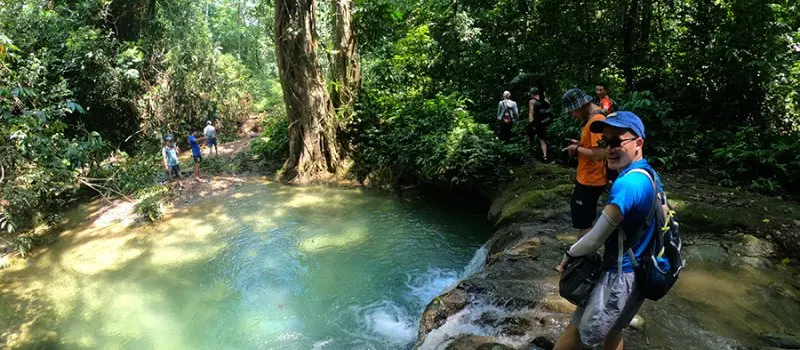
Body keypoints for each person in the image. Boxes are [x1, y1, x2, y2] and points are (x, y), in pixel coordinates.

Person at [554, 111, 661, 350]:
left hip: (619, 275)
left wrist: (569, 255)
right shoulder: (649, 175)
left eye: (616, 142)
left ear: (638, 143)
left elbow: (594, 239)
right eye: (605, 142)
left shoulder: (627, 185)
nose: (609, 149)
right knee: (614, 329)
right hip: (638, 271)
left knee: (580, 333)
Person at [561, 88, 607, 237]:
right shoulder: (592, 117)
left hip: (592, 179)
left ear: (579, 106)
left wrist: (577, 149)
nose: (572, 115)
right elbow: (593, 146)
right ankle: (582, 251)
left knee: (584, 222)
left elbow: (600, 154)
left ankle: (583, 255)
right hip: (587, 176)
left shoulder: (597, 120)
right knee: (582, 218)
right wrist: (580, 144)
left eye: (572, 111)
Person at [527, 87, 553, 162]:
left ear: (532, 94)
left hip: (537, 122)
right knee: (542, 139)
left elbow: (531, 112)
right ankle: (545, 156)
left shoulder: (532, 101)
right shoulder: (546, 100)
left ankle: (529, 153)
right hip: (546, 122)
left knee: (530, 135)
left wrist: (531, 123)